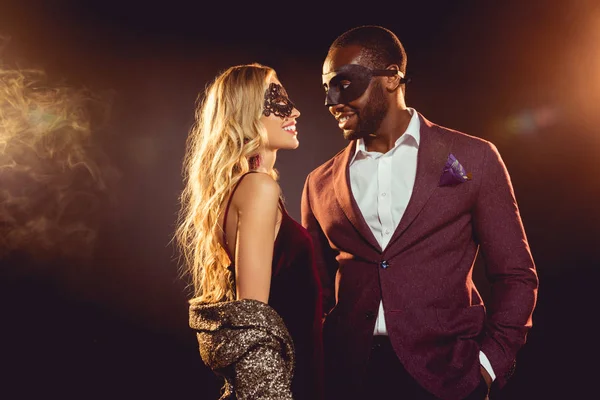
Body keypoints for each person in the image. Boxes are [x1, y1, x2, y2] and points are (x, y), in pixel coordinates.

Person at [301, 25, 538, 400]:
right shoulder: (318, 183)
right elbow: (316, 294)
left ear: (392, 78)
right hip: (347, 379)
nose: (331, 100)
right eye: (326, 87)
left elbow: (516, 276)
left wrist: (488, 366)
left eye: (344, 84)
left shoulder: (475, 157)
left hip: (448, 378)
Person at [175, 63, 323, 400]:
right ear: (248, 114)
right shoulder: (258, 188)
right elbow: (253, 324)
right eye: (277, 100)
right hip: (284, 386)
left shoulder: (250, 188)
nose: (295, 110)